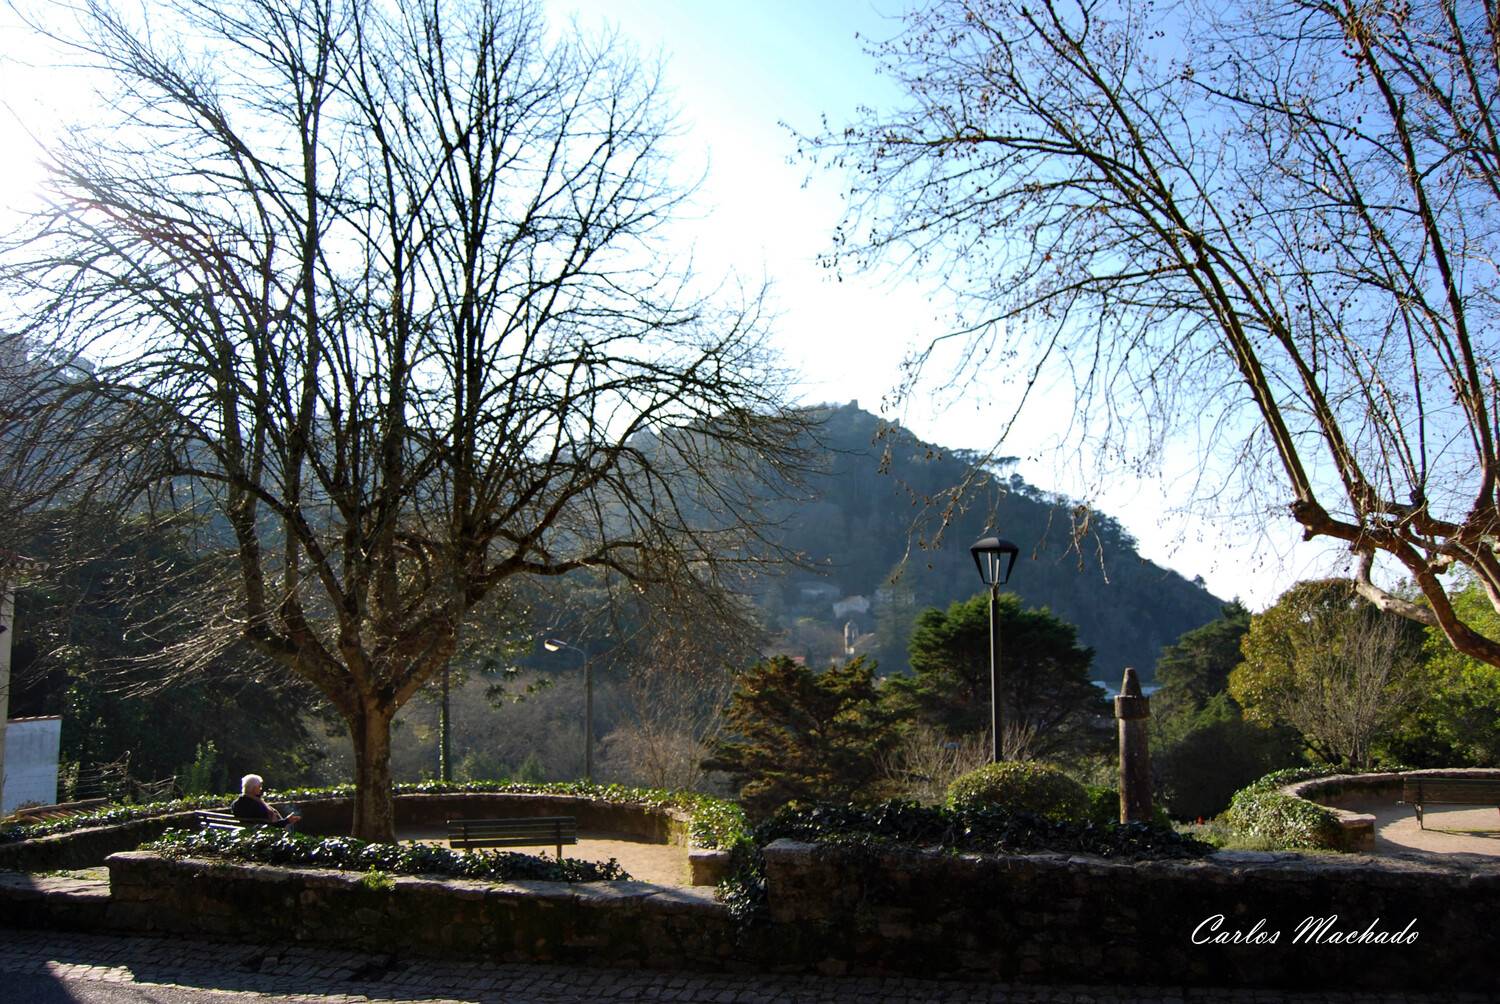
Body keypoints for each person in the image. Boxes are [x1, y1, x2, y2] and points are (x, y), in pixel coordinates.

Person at [231, 774, 302, 830]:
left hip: (250, 832)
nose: (261, 789)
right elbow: (268, 825)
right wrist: (287, 821)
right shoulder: (256, 805)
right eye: (259, 786)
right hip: (263, 833)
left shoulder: (236, 804)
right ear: (253, 788)